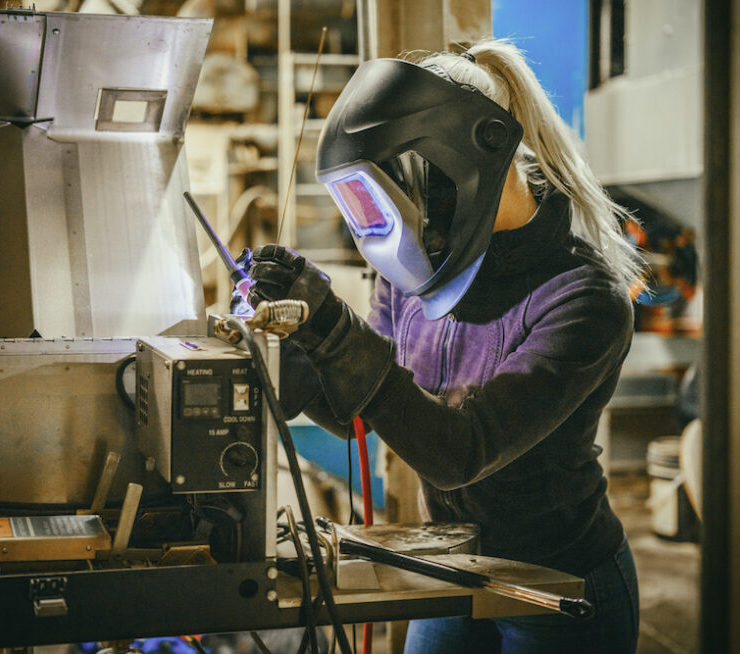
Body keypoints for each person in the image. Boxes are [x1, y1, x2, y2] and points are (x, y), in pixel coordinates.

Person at [242, 39, 641, 654]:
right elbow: (358, 415)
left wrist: (338, 333)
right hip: (454, 565)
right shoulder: (417, 274)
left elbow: (459, 451)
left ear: (464, 160)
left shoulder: (584, 298)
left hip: (561, 580)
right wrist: (296, 352)